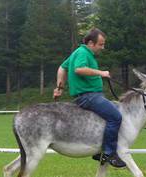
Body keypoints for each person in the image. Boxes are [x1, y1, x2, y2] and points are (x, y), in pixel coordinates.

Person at [53, 28, 126, 168]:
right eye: (101, 44)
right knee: (116, 116)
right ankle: (109, 153)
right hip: (88, 96)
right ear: (91, 43)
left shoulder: (78, 52)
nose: (103, 47)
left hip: (89, 95)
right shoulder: (82, 53)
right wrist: (101, 73)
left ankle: (102, 150)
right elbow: (78, 69)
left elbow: (62, 68)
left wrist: (59, 88)